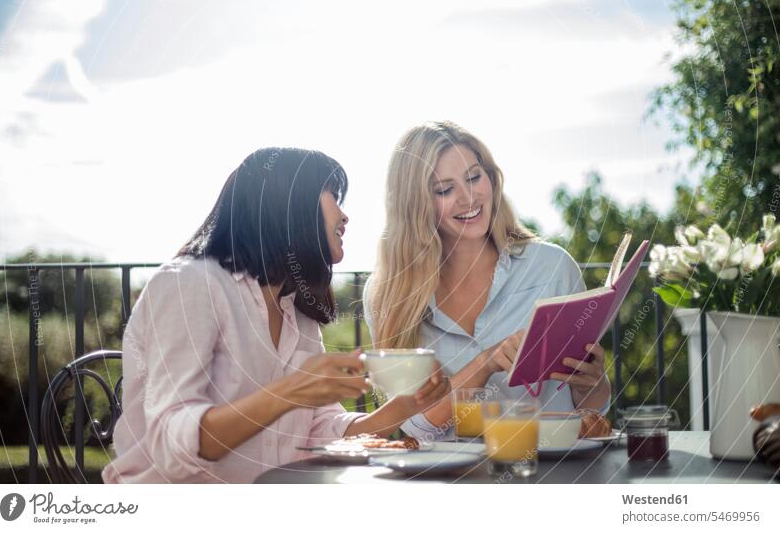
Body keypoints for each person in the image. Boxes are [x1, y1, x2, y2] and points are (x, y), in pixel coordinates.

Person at [102, 148, 449, 483]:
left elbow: (319, 430)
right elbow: (170, 445)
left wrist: (402, 408)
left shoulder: (298, 310)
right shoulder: (190, 284)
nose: (345, 216)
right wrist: (291, 391)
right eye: (332, 195)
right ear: (287, 202)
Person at [363, 121, 610, 441]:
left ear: (491, 178)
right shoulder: (388, 295)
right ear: (415, 204)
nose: (468, 197)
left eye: (474, 177)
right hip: (449, 481)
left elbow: (590, 414)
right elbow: (419, 427)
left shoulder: (551, 267)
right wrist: (485, 363)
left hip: (549, 472)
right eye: (444, 189)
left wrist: (594, 384)